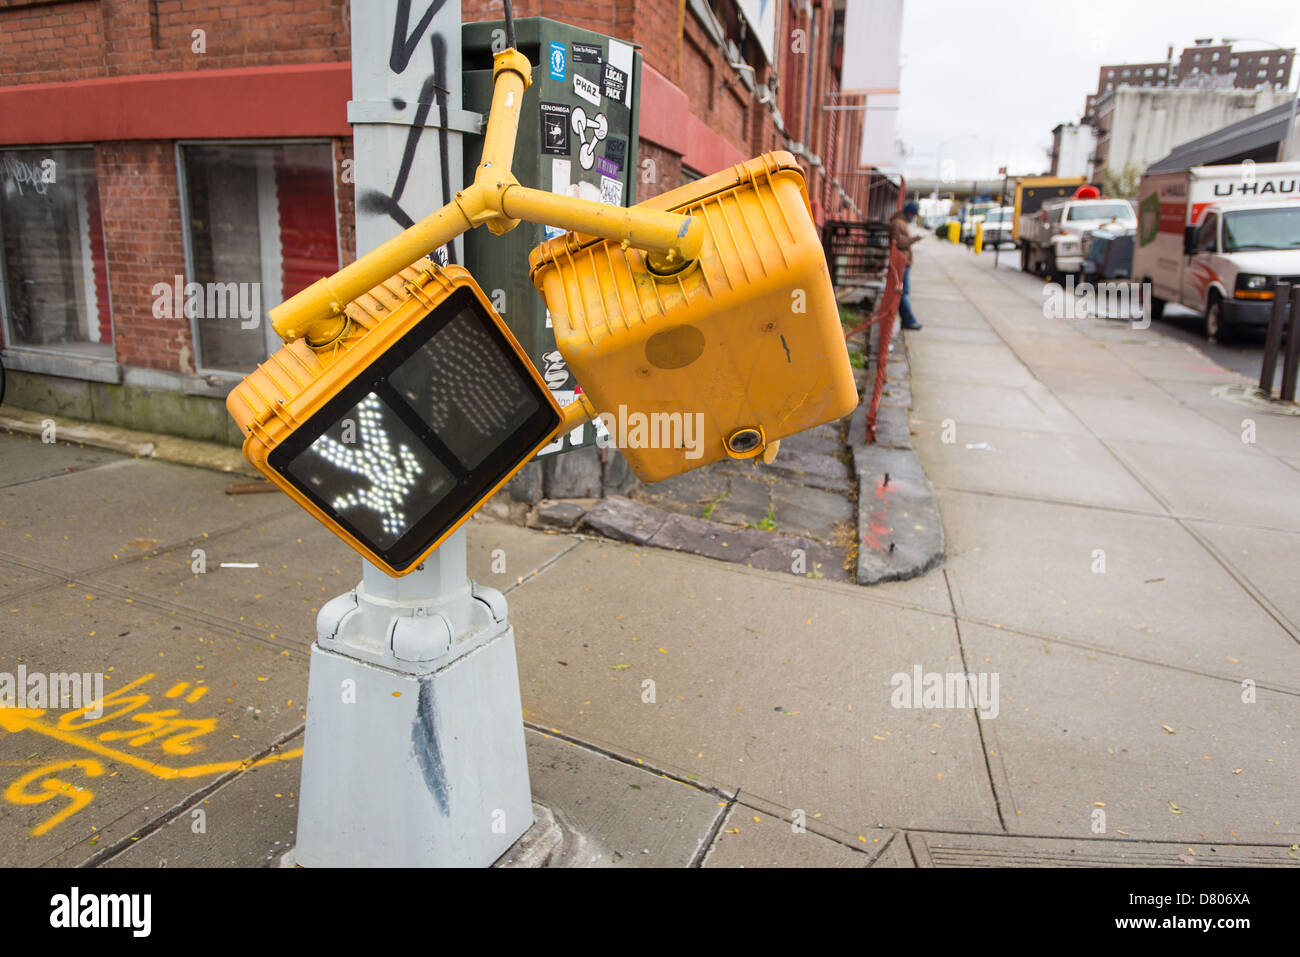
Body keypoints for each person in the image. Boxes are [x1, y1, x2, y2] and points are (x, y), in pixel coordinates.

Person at [889, 200, 924, 330]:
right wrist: (915, 239)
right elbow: (900, 243)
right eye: (913, 215)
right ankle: (908, 320)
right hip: (900, 262)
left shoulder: (900, 222)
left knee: (903, 292)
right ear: (909, 213)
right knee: (903, 292)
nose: (913, 218)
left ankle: (908, 319)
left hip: (903, 261)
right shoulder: (898, 223)